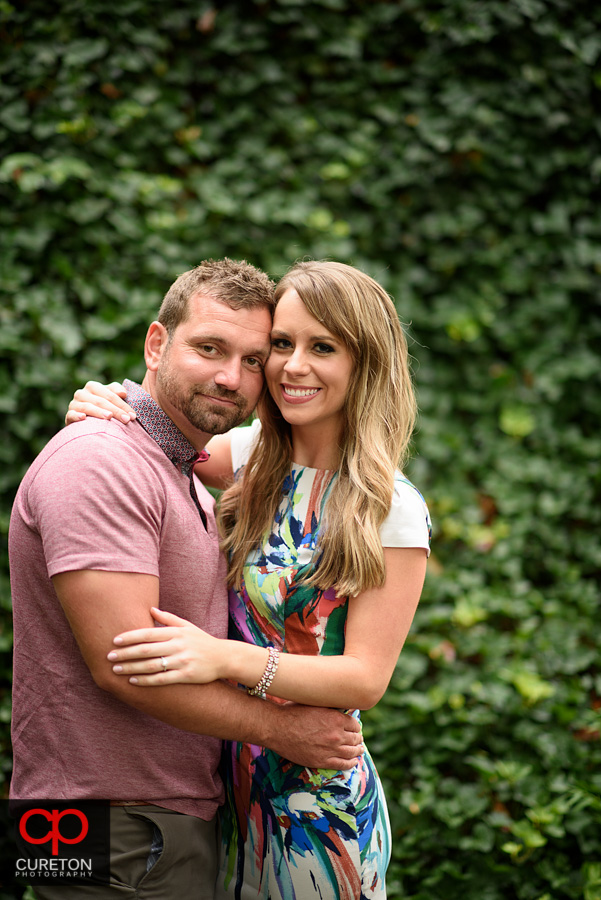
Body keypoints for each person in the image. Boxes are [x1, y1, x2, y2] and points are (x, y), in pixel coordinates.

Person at [66, 260, 432, 899]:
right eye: (282, 345)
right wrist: (105, 399)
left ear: (365, 364)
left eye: (323, 347)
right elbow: (156, 434)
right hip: (223, 781)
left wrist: (221, 658)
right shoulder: (252, 455)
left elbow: (365, 678)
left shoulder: (388, 506)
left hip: (312, 801)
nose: (293, 366)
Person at [9, 258, 362, 900]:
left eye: (254, 359)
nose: (231, 377)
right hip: (112, 827)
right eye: (209, 348)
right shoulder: (102, 460)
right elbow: (123, 665)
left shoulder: (177, 464)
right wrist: (282, 729)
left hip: (149, 824)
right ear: (155, 342)